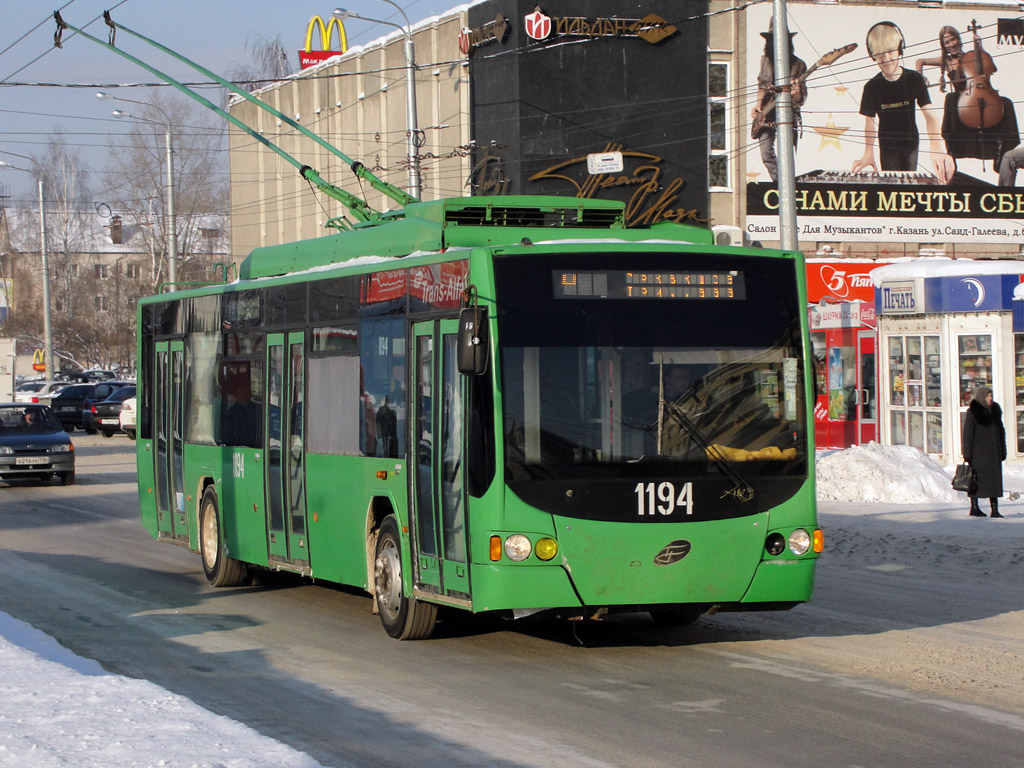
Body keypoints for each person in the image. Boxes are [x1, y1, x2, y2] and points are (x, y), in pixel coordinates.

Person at [852, 21, 954, 182]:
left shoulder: (914, 79)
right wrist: (868, 151)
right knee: (892, 184)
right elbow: (869, 123)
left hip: (912, 144)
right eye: (880, 54)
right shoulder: (872, 87)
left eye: (891, 51)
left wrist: (936, 145)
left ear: (900, 49)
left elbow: (930, 116)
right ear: (873, 56)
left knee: (909, 184)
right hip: (888, 147)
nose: (886, 59)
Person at [751, 21, 806, 183]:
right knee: (766, 153)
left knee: (786, 155)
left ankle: (787, 186)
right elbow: (761, 84)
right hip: (766, 114)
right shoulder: (765, 61)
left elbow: (801, 98)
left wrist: (796, 95)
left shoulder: (799, 65)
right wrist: (758, 106)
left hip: (786, 115)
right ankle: (781, 183)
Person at [961, 385, 1005, 518]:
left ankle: (995, 509)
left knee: (995, 482)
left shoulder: (995, 411)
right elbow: (968, 435)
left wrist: (1002, 450)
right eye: (987, 396)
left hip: (993, 454)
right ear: (982, 397)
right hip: (978, 454)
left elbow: (1001, 432)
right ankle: (974, 507)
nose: (990, 398)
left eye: (991, 396)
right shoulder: (973, 412)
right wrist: (967, 455)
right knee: (975, 481)